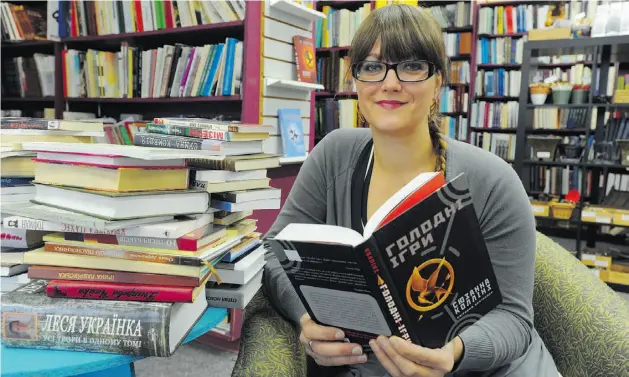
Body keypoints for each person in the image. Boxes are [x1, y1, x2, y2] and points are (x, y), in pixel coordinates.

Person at [261, 4, 559, 377]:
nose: (389, 83)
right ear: (355, 81)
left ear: (438, 82)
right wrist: (305, 319)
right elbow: (274, 257)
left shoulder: (494, 181)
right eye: (371, 67)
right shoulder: (331, 156)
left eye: (411, 66)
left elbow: (515, 318)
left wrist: (454, 353)